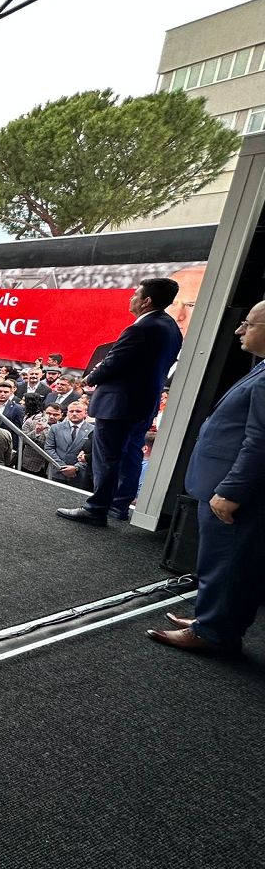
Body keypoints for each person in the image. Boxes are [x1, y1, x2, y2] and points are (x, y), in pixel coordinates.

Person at [148, 301, 265, 656]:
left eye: (248, 323)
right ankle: (211, 620)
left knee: (227, 563)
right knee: (224, 562)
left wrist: (230, 491)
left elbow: (259, 441)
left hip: (234, 491)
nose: (239, 330)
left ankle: (214, 633)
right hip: (225, 483)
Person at [59, 278, 183, 526]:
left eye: (135, 294)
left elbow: (114, 362)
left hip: (118, 405)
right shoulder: (171, 328)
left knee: (108, 457)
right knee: (131, 455)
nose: (131, 298)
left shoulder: (140, 328)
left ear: (146, 301)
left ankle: (96, 508)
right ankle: (119, 506)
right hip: (143, 403)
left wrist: (90, 378)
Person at [45, 401, 94, 487]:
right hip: (57, 472)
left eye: (78, 411)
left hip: (80, 474)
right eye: (71, 411)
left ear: (85, 413)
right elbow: (49, 448)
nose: (74, 414)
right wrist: (62, 467)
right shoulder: (55, 428)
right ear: (67, 413)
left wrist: (76, 468)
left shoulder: (93, 430)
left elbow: (94, 453)